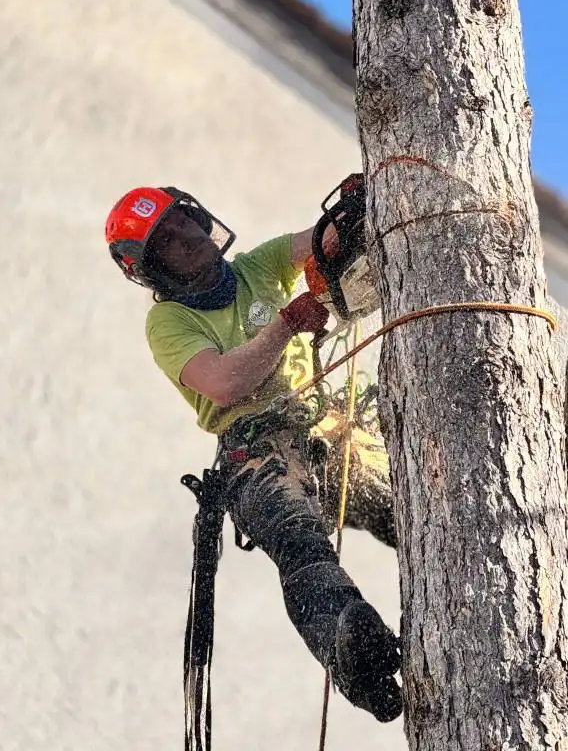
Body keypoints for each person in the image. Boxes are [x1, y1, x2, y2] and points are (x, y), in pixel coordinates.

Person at [104, 183, 402, 722]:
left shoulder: (255, 266)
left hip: (330, 429)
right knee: (298, 539)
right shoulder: (168, 322)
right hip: (255, 450)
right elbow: (222, 383)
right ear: (151, 269)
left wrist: (353, 215)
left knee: (410, 508)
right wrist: (286, 324)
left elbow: (312, 242)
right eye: (165, 240)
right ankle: (350, 645)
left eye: (183, 222)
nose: (186, 239)